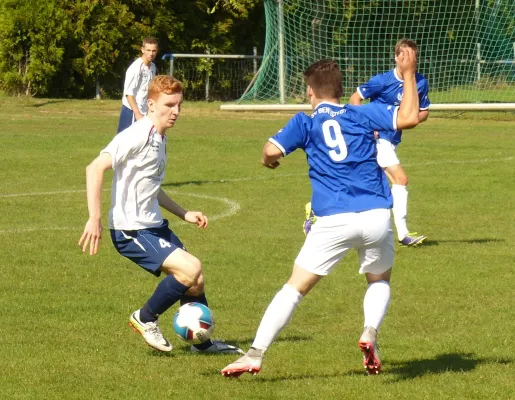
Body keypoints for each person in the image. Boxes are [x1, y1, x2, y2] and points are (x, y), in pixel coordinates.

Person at [221, 48, 421, 377]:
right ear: (341, 90)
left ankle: (255, 354)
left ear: (310, 92)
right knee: (379, 280)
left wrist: (269, 160)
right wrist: (409, 73)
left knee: (294, 289)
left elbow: (270, 150)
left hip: (334, 220)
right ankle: (370, 331)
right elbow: (410, 116)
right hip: (375, 216)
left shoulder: (305, 121)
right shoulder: (363, 114)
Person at [79, 75, 242, 355]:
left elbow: (153, 188)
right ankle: (145, 318)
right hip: (132, 230)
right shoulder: (137, 134)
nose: (176, 111)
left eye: (179, 105)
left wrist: (184, 213)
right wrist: (94, 217)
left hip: (154, 226)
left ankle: (201, 344)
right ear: (151, 104)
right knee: (190, 268)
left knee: (196, 279)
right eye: (169, 105)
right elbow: (94, 168)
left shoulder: (160, 138)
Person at [348, 38, 430, 246]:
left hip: (391, 141)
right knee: (400, 179)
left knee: (363, 185)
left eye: (412, 57)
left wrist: (405, 122)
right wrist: (364, 126)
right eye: (404, 56)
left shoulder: (420, 82)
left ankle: (315, 211)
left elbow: (423, 112)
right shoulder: (382, 81)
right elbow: (354, 99)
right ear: (396, 57)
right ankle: (403, 234)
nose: (408, 60)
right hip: (376, 139)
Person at [117, 37, 158, 133]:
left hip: (144, 111)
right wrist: (137, 113)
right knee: (125, 142)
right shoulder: (136, 67)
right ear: (142, 49)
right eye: (148, 50)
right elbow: (128, 94)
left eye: (153, 51)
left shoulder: (153, 67)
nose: (151, 53)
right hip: (131, 111)